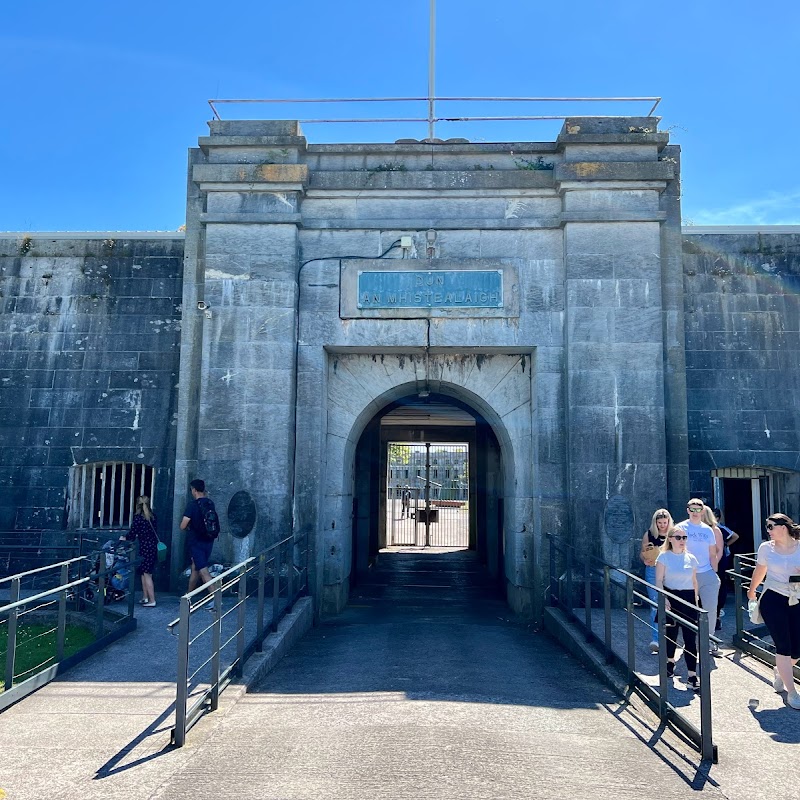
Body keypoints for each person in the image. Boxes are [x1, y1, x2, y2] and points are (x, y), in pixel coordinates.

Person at [746, 513, 800, 709]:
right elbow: (760, 571)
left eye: (770, 527)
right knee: (783, 645)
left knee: (797, 648)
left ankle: (780, 670)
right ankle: (792, 693)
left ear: (782, 527)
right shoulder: (766, 549)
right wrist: (752, 591)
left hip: (796, 597)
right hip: (773, 598)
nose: (767, 531)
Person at [656, 526, 701, 690]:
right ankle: (669, 661)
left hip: (688, 598)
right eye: (678, 537)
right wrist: (664, 598)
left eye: (684, 538)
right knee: (671, 635)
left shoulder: (691, 558)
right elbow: (659, 580)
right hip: (671, 597)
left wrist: (696, 601)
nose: (682, 541)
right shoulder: (664, 557)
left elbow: (694, 581)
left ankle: (692, 674)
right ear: (670, 539)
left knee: (690, 639)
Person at [676, 499, 723, 654]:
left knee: (710, 609)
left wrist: (714, 572)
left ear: (703, 511)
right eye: (692, 509)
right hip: (687, 574)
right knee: (687, 610)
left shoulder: (708, 530)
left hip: (706, 573)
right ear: (688, 510)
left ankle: (709, 641)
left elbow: (712, 553)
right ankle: (688, 643)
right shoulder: (680, 528)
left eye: (698, 509)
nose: (695, 512)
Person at [640, 508, 673, 653]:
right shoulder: (649, 534)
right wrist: (645, 559)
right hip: (653, 569)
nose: (662, 526)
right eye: (659, 523)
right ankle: (657, 639)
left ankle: (671, 638)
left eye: (664, 523)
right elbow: (642, 552)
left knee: (672, 605)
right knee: (655, 604)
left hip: (670, 569)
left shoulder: (674, 534)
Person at [180, 479, 216, 592]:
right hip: (209, 540)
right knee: (195, 568)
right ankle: (188, 596)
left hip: (196, 542)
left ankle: (216, 601)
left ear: (194, 490)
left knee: (203, 570)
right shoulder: (210, 503)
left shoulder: (192, 505)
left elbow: (183, 525)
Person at [123, 495, 159, 607]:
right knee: (145, 572)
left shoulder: (138, 518)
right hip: (152, 546)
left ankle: (152, 600)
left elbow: (132, 533)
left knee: (146, 574)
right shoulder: (153, 517)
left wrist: (125, 538)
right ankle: (145, 597)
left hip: (144, 547)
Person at [712, 507, 739, 631]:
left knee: (720, 583)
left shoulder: (720, 528)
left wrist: (726, 544)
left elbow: (735, 536)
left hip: (721, 559)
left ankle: (717, 612)